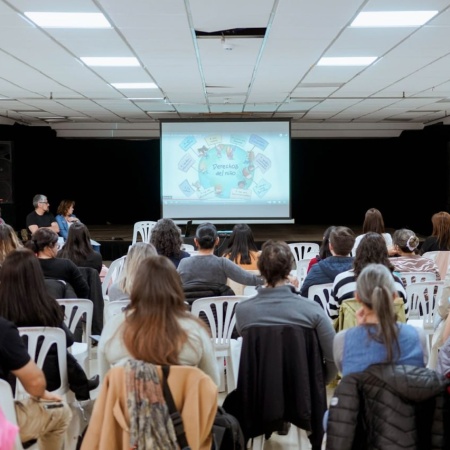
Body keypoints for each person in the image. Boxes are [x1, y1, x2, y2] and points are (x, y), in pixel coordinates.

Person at [98, 254, 220, 385]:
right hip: (182, 404)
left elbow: (105, 384)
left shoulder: (114, 327)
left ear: (136, 287)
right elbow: (213, 382)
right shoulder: (195, 328)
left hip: (127, 403)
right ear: (176, 286)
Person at [0, 248, 99, 401]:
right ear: (36, 276)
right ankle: (82, 385)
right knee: (62, 354)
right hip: (49, 379)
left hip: (8, 382)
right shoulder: (47, 307)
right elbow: (68, 340)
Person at [235, 240, 337, 383]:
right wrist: (319, 382)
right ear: (289, 269)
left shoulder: (243, 311)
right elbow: (333, 353)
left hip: (261, 395)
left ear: (261, 269)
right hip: (303, 395)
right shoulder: (312, 311)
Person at [333, 263, 428, 377]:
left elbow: (348, 373)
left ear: (357, 297)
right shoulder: (417, 336)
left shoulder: (342, 340)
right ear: (394, 296)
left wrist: (359, 332)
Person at [0, 316, 72, 450]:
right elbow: (35, 383)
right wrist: (42, 393)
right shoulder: (3, 328)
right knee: (59, 409)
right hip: (3, 427)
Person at [330, 232, 407, 321]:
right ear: (385, 254)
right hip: (391, 334)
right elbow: (404, 316)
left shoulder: (341, 281)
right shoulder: (396, 283)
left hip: (350, 332)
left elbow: (333, 316)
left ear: (359, 252)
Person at [177, 222, 267, 291]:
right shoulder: (223, 263)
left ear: (196, 241)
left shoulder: (184, 263)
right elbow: (248, 279)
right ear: (217, 241)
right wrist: (273, 279)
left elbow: (173, 286)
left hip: (190, 312)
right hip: (217, 313)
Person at [25, 228, 90, 298]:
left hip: (32, 306)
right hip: (64, 307)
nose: (57, 248)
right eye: (57, 245)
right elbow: (83, 289)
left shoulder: (26, 265)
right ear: (50, 246)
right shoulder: (66, 265)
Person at [300, 226, 355, 297]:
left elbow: (304, 294)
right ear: (352, 247)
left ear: (330, 246)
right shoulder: (360, 269)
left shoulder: (316, 269)